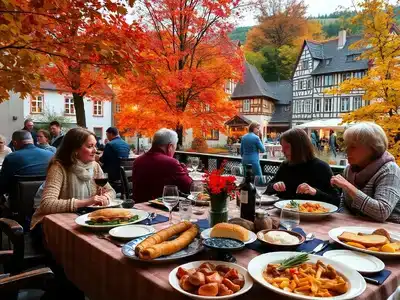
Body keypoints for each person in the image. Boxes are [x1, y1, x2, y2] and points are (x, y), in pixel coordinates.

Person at [30, 127, 115, 230]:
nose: (95, 150)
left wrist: (105, 197)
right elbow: (47, 204)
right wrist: (86, 202)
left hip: (85, 218)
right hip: (53, 223)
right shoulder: (58, 167)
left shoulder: (94, 166)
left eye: (95, 145)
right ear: (75, 150)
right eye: (90, 146)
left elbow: (111, 191)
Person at [331, 122, 400, 223]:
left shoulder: (390, 170)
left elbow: (382, 212)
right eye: (347, 145)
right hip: (356, 229)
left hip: (388, 232)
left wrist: (349, 187)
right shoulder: (349, 169)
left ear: (373, 148)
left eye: (353, 146)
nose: (347, 150)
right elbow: (344, 204)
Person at [266, 128, 340, 205]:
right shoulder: (285, 166)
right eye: (282, 146)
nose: (283, 151)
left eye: (287, 147)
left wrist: (315, 192)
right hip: (284, 212)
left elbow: (335, 201)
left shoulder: (321, 167)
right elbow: (267, 189)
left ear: (299, 147)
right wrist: (274, 186)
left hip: (312, 214)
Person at [132, 128, 192, 203]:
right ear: (170, 147)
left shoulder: (137, 161)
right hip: (160, 208)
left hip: (139, 207)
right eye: (174, 148)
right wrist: (184, 170)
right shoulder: (170, 163)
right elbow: (189, 188)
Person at [0, 130, 53, 196]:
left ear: (15, 143)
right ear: (32, 141)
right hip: (45, 198)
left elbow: (3, 185)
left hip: (18, 202)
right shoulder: (51, 155)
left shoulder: (11, 158)